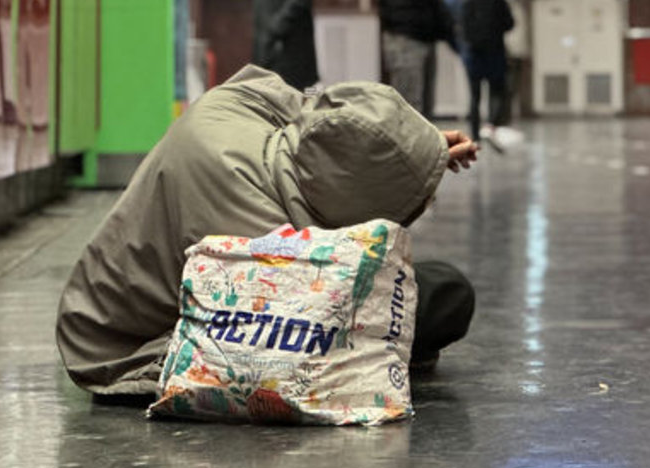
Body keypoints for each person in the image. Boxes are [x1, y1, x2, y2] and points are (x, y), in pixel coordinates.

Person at [55, 66, 479, 398]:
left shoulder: (235, 106)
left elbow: (323, 118)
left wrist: (414, 147)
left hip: (93, 311)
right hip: (121, 348)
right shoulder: (266, 242)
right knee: (442, 294)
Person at [447, 0, 521, 150]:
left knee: (474, 95)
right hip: (495, 50)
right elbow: (509, 23)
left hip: (471, 53)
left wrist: (459, 47)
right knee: (497, 90)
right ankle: (490, 127)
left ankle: (474, 137)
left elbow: (448, 24)